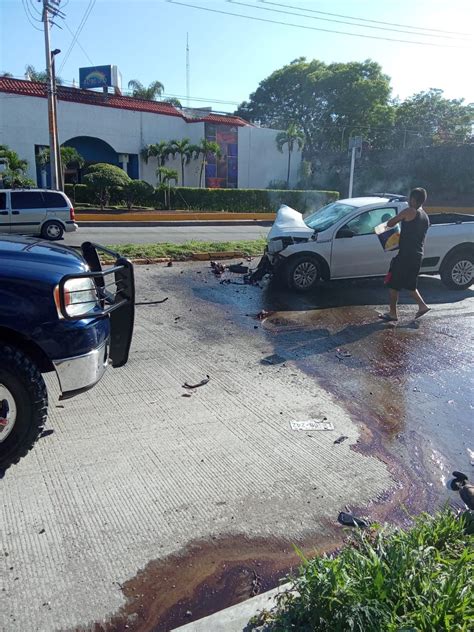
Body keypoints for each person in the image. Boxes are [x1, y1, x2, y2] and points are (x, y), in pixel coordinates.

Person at [379, 187, 430, 322]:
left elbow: (390, 223)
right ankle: (422, 306)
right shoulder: (425, 216)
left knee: (393, 283)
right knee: (410, 285)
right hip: (418, 255)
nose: (408, 200)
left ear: (413, 199)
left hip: (406, 255)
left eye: (409, 198)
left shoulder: (409, 211)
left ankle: (393, 313)